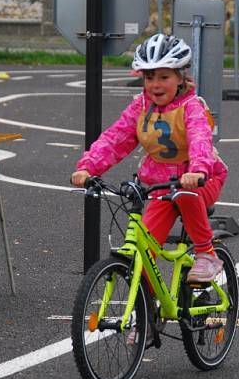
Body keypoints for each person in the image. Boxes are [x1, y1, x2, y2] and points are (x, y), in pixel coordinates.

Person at [71, 33, 227, 283]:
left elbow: (200, 139)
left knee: (186, 195)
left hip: (201, 180)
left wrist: (197, 171)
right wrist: (88, 167)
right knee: (142, 254)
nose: (155, 84)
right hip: (161, 186)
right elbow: (116, 138)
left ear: (180, 77)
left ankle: (206, 254)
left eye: (164, 77)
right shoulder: (140, 107)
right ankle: (147, 316)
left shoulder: (191, 107)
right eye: (149, 77)